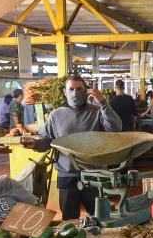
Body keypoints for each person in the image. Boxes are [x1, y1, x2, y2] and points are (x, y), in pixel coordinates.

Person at [23, 75, 122, 220]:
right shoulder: (56, 116)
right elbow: (47, 140)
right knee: (69, 221)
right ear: (65, 91)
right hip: (67, 176)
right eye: (71, 89)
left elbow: (115, 128)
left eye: (79, 89)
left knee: (100, 218)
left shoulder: (96, 112)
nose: (75, 92)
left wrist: (103, 102)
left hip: (94, 175)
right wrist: (35, 144)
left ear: (86, 91)